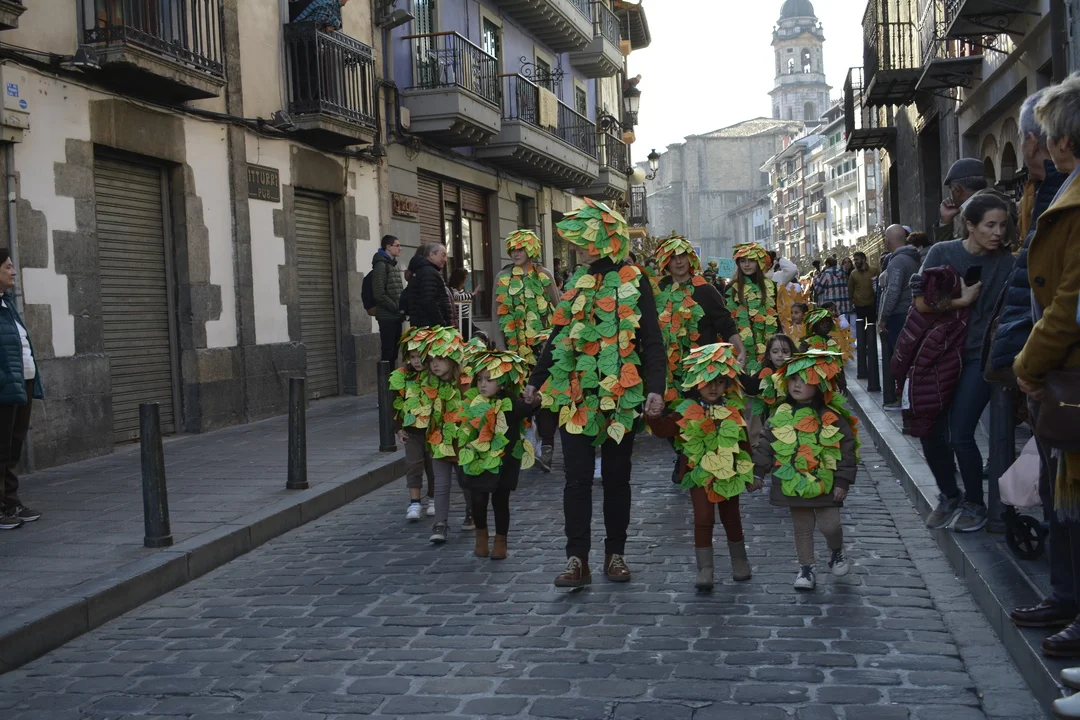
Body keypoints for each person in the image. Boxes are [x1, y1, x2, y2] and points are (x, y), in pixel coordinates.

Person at [524, 198, 666, 588]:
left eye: (584, 240)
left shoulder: (634, 279)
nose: (577, 248)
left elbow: (652, 339)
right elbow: (557, 337)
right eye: (576, 241)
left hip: (621, 396)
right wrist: (536, 381)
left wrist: (655, 387)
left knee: (617, 478)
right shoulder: (575, 282)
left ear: (604, 239)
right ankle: (577, 559)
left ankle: (615, 553)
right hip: (575, 394)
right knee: (577, 479)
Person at [1009, 75, 1080, 671]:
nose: (1043, 144)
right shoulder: (1059, 192)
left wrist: (1028, 363)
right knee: (1063, 496)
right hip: (1058, 370)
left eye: (1049, 134)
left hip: (1066, 370)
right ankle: (1066, 598)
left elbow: (1069, 303)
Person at [913, 194, 1016, 533]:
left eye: (1002, 225)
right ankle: (949, 494)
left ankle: (975, 502)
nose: (997, 232)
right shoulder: (942, 253)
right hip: (939, 354)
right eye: (990, 225)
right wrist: (962, 300)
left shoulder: (1007, 263)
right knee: (930, 431)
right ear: (970, 225)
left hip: (978, 357)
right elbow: (921, 303)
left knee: (960, 434)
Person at [647, 343, 760, 590]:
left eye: (719, 382)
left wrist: (750, 473)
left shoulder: (731, 410)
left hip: (728, 472)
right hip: (699, 472)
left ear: (727, 384)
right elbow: (666, 429)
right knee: (703, 517)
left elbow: (743, 443)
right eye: (707, 381)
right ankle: (705, 568)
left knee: (731, 517)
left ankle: (740, 561)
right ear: (696, 382)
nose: (713, 387)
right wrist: (654, 417)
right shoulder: (687, 411)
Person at [753, 349, 860, 591]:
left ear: (819, 385)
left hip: (825, 481)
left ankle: (836, 550)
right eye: (792, 379)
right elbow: (766, 444)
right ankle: (806, 567)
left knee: (830, 525)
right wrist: (758, 472)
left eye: (804, 380)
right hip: (793, 481)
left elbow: (847, 449)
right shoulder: (780, 415)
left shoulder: (831, 417)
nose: (797, 385)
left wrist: (842, 481)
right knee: (802, 528)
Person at [492, 230, 561, 472]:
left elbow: (558, 309)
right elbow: (496, 313)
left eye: (520, 249)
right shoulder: (502, 277)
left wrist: (557, 342)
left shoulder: (544, 275)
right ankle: (529, 442)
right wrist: (500, 345)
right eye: (513, 250)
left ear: (531, 250)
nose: (516, 253)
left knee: (546, 395)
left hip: (543, 349)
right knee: (521, 397)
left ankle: (547, 446)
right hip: (514, 350)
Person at [458, 350, 535, 561]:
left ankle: (501, 541)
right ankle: (481, 537)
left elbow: (526, 409)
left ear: (501, 384)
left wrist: (533, 400)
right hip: (479, 459)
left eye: (489, 380)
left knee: (501, 501)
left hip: (505, 461)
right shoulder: (473, 402)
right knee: (478, 499)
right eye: (480, 380)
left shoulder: (509, 402)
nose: (483, 384)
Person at [654, 233, 747, 402]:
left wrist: (741, 349)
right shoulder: (659, 290)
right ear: (665, 261)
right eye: (673, 257)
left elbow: (725, 323)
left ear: (690, 258)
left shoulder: (706, 290)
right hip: (669, 370)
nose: (679, 261)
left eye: (682, 256)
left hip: (702, 369)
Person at [0, 250, 42, 529]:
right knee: (1, 447)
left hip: (22, 382)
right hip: (5, 385)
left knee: (13, 446)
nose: (13, 272)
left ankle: (10, 502)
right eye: (7, 267)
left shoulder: (7, 303)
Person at [421, 327, 467, 544]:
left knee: (465, 480)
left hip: (463, 441)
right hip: (439, 438)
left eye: (440, 359)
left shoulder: (465, 383)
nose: (435, 364)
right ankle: (440, 523)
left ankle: (471, 512)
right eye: (431, 360)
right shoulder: (429, 384)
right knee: (441, 483)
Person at [391, 327, 436, 522]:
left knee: (434, 466)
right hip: (412, 431)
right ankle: (415, 502)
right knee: (413, 465)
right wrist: (398, 428)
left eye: (420, 356)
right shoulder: (402, 376)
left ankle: (434, 498)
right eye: (413, 357)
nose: (417, 361)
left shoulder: (435, 376)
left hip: (434, 430)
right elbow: (395, 403)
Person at [726, 242, 779, 375]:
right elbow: (728, 320)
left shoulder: (770, 286)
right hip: (740, 346)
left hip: (766, 343)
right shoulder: (731, 287)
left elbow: (776, 316)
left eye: (751, 261)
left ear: (758, 262)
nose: (747, 265)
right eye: (743, 261)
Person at [877, 225, 920, 373]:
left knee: (900, 357)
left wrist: (883, 318)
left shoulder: (898, 261)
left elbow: (893, 291)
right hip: (911, 312)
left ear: (888, 241)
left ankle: (901, 384)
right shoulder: (913, 258)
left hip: (899, 315)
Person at [933, 158, 990, 243]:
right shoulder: (993, 202)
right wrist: (946, 220)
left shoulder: (981, 208)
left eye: (950, 189)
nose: (950, 196)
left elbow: (952, 251)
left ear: (957, 190)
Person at [371, 235, 404, 364]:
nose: (400, 248)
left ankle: (392, 376)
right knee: (388, 353)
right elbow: (379, 294)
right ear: (388, 247)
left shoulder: (393, 265)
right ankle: (385, 377)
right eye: (397, 245)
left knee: (394, 353)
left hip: (396, 316)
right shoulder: (381, 265)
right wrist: (396, 307)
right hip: (387, 317)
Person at [403, 242, 453, 329]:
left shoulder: (423, 270)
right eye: (443, 255)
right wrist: (441, 324)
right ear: (431, 255)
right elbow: (429, 301)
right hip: (431, 328)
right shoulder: (428, 272)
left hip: (426, 325)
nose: (445, 259)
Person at [847, 251, 877, 376]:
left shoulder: (874, 270)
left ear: (864, 259)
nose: (855, 262)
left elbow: (878, 286)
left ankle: (871, 345)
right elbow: (850, 290)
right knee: (860, 327)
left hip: (871, 304)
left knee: (871, 326)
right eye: (854, 260)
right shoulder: (853, 274)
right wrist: (852, 303)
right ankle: (863, 345)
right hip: (859, 305)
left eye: (857, 259)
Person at [811, 257, 853, 327]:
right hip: (845, 306)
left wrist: (816, 278)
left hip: (832, 308)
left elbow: (818, 289)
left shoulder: (826, 273)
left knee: (835, 328)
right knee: (846, 328)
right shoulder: (844, 272)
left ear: (827, 264)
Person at [447, 267, 481, 338]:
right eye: (465, 279)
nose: (465, 281)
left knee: (474, 331)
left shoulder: (461, 290)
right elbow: (459, 297)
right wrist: (473, 293)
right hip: (461, 319)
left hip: (466, 317)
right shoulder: (453, 290)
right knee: (472, 332)